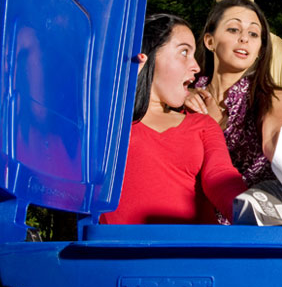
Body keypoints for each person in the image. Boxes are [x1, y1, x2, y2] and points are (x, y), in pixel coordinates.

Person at [101, 14, 247, 224]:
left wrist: (251, 215)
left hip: (194, 251)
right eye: (184, 52)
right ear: (147, 55)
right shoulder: (108, 125)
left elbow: (221, 177)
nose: (196, 67)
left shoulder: (202, 124)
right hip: (121, 253)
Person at [185, 0, 282, 188]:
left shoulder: (273, 96)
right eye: (233, 29)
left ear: (260, 49)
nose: (244, 38)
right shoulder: (183, 95)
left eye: (253, 33)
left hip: (247, 210)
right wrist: (180, 93)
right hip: (189, 212)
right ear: (210, 41)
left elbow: (277, 142)